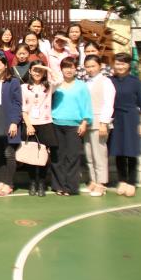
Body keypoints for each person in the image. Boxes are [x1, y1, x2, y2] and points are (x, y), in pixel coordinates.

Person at [50, 58, 93, 195]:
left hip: (75, 125)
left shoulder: (81, 86)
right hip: (56, 123)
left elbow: (87, 105)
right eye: (66, 67)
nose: (69, 70)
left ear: (76, 69)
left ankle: (70, 187)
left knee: (73, 156)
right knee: (57, 156)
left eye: (72, 67)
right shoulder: (56, 84)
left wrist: (84, 122)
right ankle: (58, 185)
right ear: (61, 69)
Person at [109, 52, 141, 197]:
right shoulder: (109, 81)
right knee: (119, 151)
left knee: (131, 151)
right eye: (117, 63)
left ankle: (131, 182)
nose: (120, 66)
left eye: (123, 63)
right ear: (113, 65)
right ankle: (122, 181)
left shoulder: (135, 81)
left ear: (128, 65)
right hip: (116, 118)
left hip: (131, 118)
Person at [21, 62, 59, 197]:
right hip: (30, 124)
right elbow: (23, 108)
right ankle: (32, 182)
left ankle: (42, 182)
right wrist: (28, 125)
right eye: (35, 70)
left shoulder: (48, 86)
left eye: (40, 71)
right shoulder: (24, 87)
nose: (37, 73)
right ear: (30, 71)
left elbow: (59, 79)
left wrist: (47, 68)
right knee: (31, 155)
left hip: (45, 123)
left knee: (44, 155)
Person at [0, 55, 23, 196]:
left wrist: (14, 122)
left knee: (9, 153)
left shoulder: (13, 81)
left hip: (9, 121)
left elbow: (17, 103)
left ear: (5, 65)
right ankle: (1, 182)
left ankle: (9, 183)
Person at [82, 55, 115, 197]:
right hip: (87, 121)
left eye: (93, 66)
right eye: (87, 66)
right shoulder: (86, 81)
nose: (90, 69)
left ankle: (101, 183)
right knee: (89, 154)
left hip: (99, 122)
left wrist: (104, 123)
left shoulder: (106, 82)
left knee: (99, 154)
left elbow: (108, 104)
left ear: (100, 66)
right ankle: (93, 180)